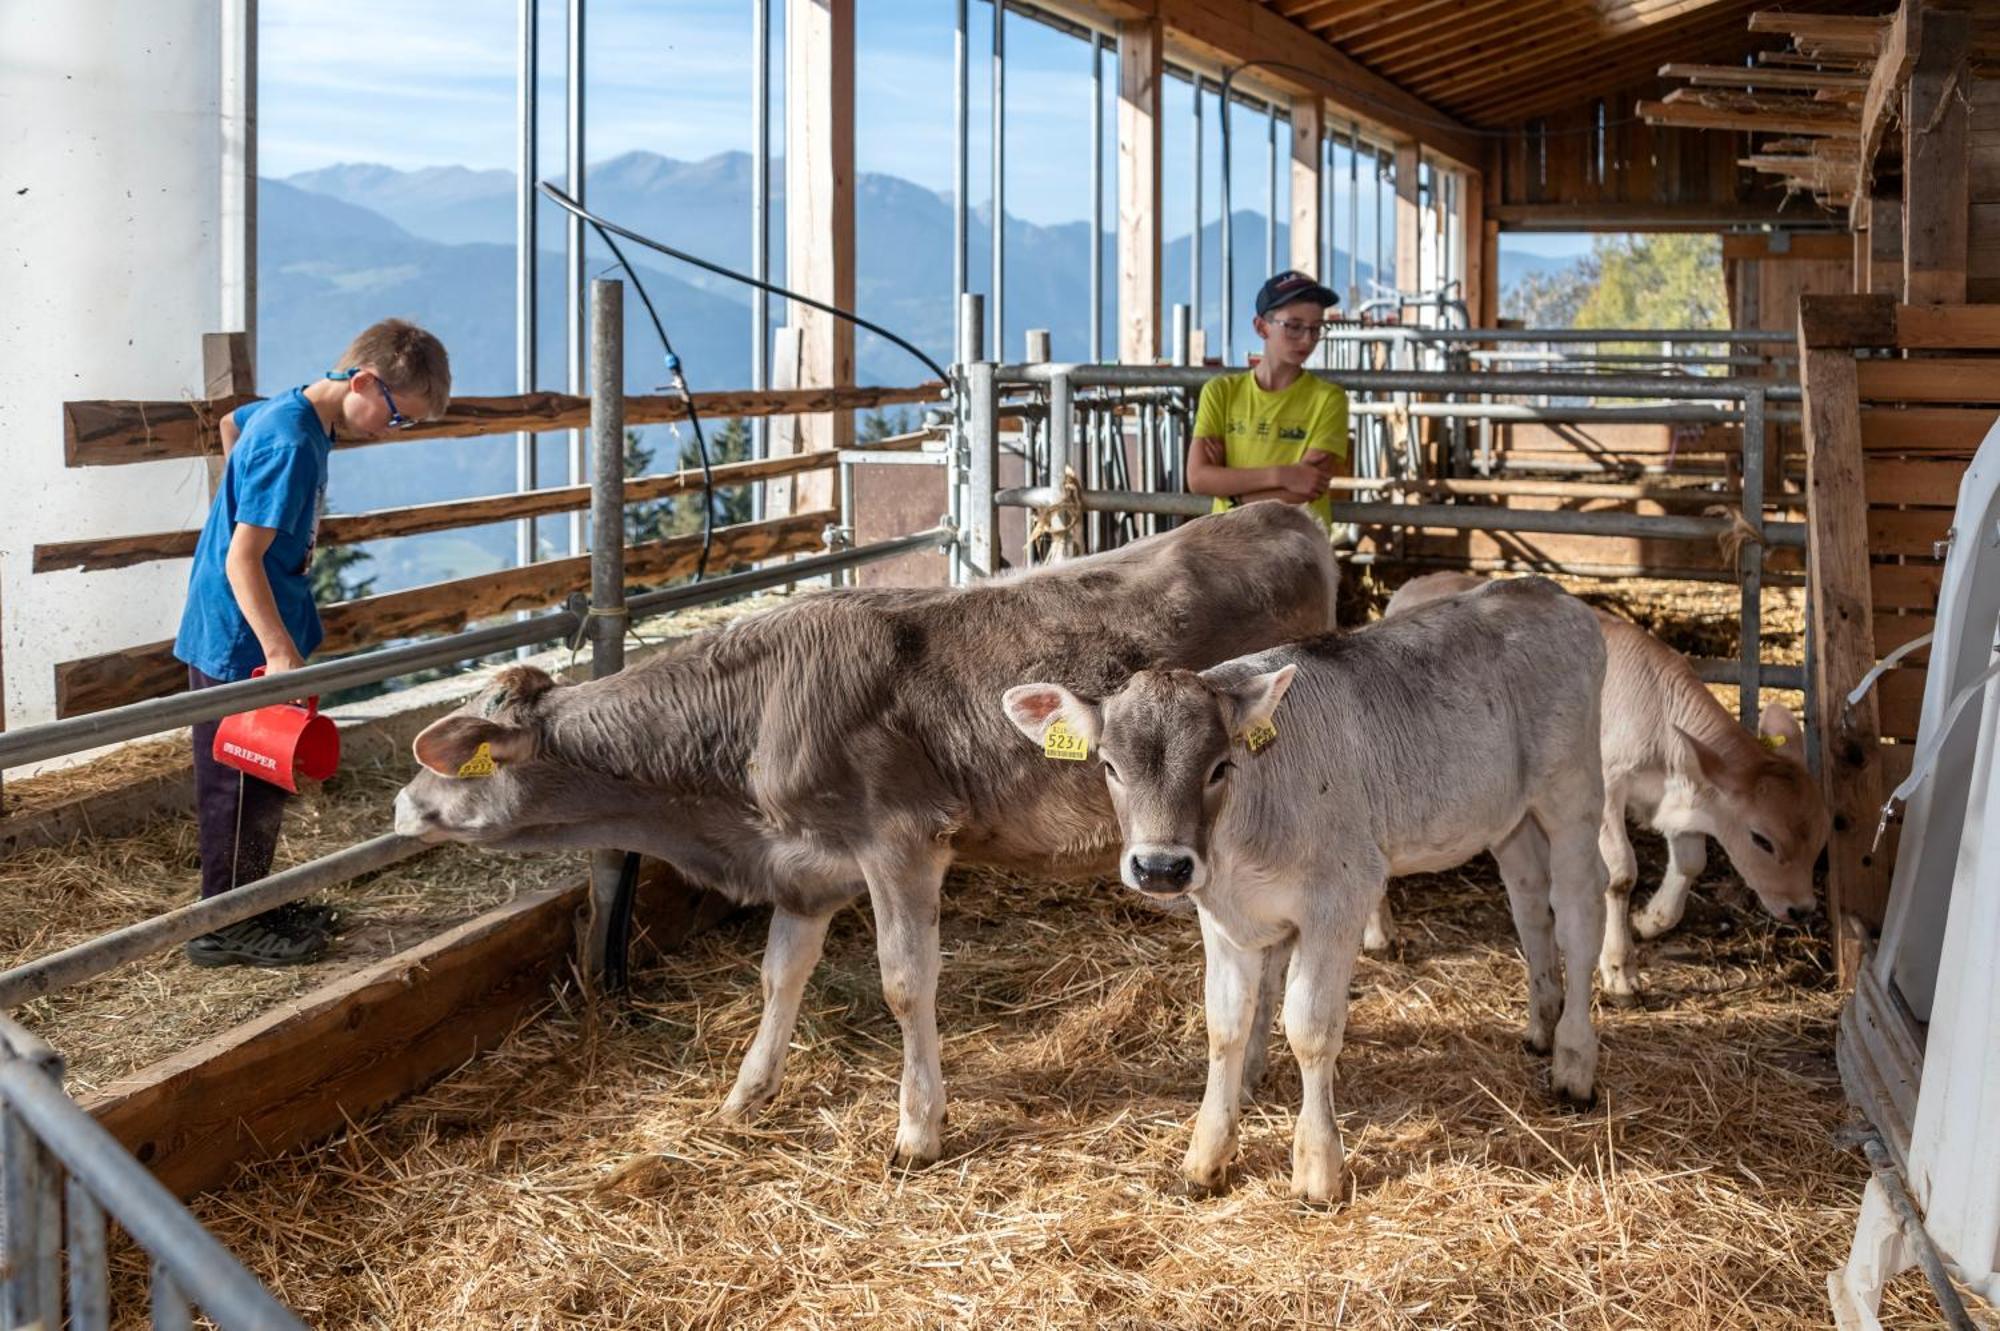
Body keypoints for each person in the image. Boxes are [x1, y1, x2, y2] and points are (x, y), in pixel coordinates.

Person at [173, 319, 451, 967]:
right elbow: (244, 560)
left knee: (265, 777)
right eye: (397, 416)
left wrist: (239, 494)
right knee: (236, 784)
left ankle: (255, 902)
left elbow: (234, 425)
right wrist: (277, 652)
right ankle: (221, 926)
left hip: (255, 625)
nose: (392, 431)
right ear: (363, 381)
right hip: (241, 637)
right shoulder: (294, 443)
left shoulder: (299, 411)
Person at [1185, 270, 1350, 529]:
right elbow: (1198, 478)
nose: (1307, 339)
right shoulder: (1220, 392)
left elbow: (1308, 487)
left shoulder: (1329, 399)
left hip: (1298, 544)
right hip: (1231, 543)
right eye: (1294, 327)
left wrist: (1231, 492)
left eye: (1316, 329)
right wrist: (1284, 475)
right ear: (1261, 327)